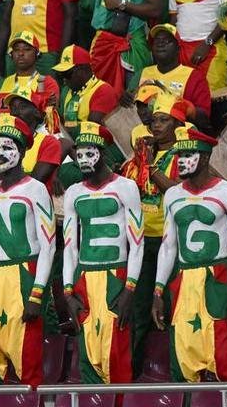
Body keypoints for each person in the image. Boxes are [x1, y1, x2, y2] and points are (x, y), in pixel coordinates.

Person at [152, 125, 227, 382]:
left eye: (187, 156)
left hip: (218, 276)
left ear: (205, 158)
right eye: (178, 157)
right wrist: (158, 291)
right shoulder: (172, 194)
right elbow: (168, 246)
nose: (180, 162)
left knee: (224, 352)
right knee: (183, 350)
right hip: (184, 280)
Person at [61, 122, 142, 383]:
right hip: (84, 276)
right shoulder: (73, 192)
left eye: (89, 153)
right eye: (79, 154)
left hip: (115, 274)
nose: (82, 160)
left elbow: (137, 243)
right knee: (88, 350)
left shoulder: (126, 187)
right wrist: (68, 291)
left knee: (116, 352)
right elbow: (70, 246)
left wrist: (130, 288)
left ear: (103, 153)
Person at [0, 117, 56, 386]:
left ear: (22, 153)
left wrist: (37, 293)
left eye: (8, 148)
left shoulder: (36, 189)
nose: (0, 153)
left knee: (27, 353)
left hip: (26, 273)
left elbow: (49, 244)